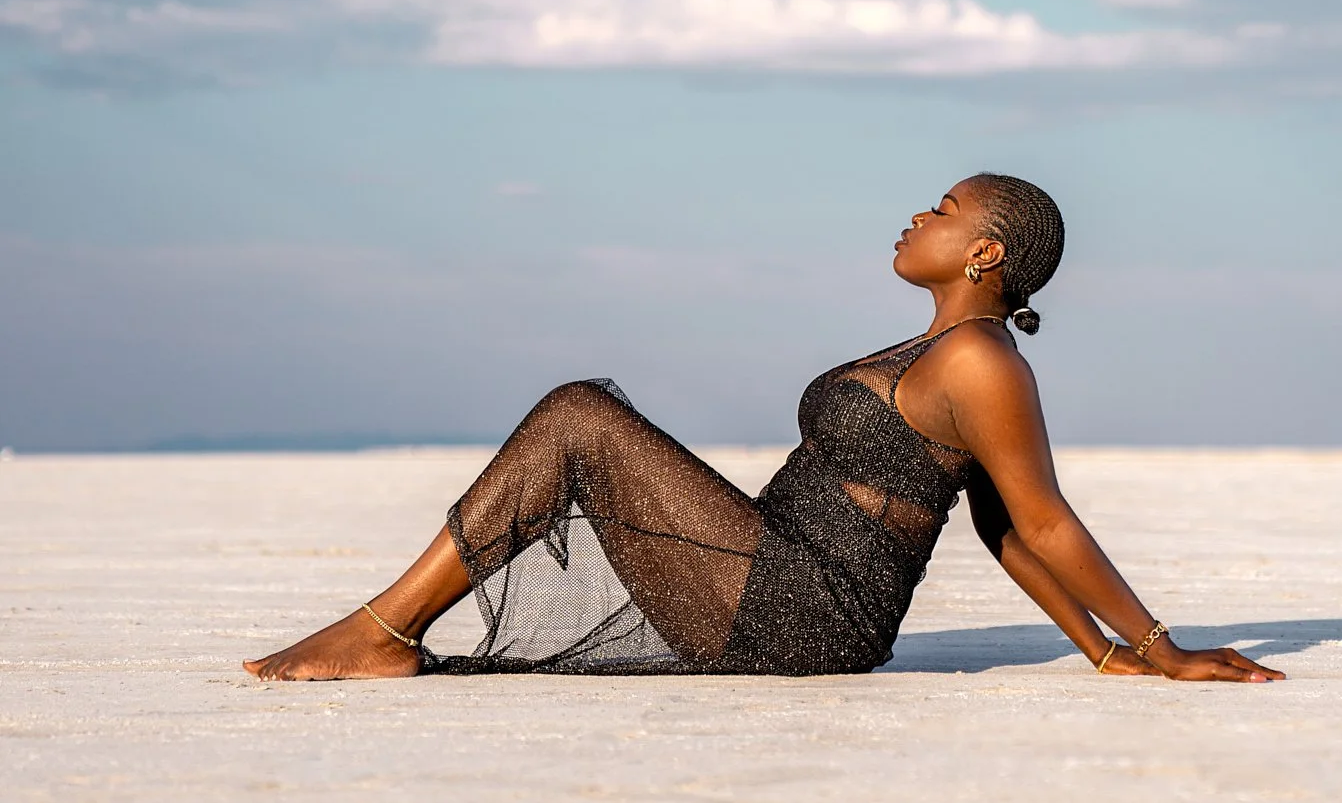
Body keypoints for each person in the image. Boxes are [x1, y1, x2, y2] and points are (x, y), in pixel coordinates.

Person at [244, 174, 1283, 685]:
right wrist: (1093, 653)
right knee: (577, 422)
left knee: (578, 415)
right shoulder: (930, 355)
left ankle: (381, 632)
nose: (916, 217)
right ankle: (382, 630)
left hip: (810, 610)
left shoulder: (978, 362)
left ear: (986, 251)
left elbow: (1042, 521)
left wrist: (1155, 647)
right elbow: (992, 528)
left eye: (941, 208)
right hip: (775, 570)